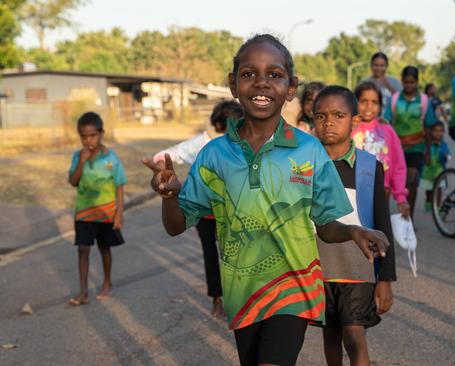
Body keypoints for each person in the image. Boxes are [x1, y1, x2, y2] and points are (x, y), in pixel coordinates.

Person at [141, 34, 389, 366]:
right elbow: (175, 226)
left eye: (274, 74)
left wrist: (353, 231)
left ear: (290, 88)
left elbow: (326, 226)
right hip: (242, 293)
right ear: (233, 84)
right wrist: (169, 196)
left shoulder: (309, 150)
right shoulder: (214, 155)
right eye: (249, 74)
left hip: (295, 289)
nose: (261, 82)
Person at [312, 85, 396, 366]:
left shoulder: (369, 167)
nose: (329, 122)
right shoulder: (304, 167)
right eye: (321, 116)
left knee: (353, 334)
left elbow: (383, 225)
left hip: (359, 267)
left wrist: (385, 279)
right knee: (331, 335)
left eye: (338, 115)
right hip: (318, 269)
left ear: (355, 121)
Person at [153, 100, 243, 318]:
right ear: (222, 125)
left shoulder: (243, 144)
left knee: (234, 256)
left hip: (230, 213)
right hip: (203, 213)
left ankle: (237, 299)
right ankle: (216, 299)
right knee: (211, 255)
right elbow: (160, 158)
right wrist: (175, 184)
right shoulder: (201, 143)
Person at [67, 112, 127, 306]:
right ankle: (83, 292)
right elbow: (73, 181)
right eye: (83, 136)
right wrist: (82, 161)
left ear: (101, 133)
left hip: (106, 213)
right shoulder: (78, 156)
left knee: (104, 248)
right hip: (84, 212)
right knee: (83, 249)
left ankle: (107, 281)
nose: (88, 140)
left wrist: (119, 213)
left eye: (92, 135)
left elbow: (119, 185)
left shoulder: (111, 158)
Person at [384, 66, 437, 219]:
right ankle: (384, 219)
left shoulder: (424, 100)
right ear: (402, 81)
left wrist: (428, 151)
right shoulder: (394, 99)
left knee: (412, 180)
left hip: (417, 147)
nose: (409, 85)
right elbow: (386, 122)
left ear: (417, 82)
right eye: (406, 82)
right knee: (389, 183)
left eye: (412, 82)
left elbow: (429, 125)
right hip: (395, 147)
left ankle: (408, 217)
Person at [352, 81, 409, 217]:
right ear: (355, 103)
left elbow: (398, 166)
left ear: (380, 105)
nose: (369, 106)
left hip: (382, 191)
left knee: (378, 232)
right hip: (353, 191)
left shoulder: (387, 130)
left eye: (374, 102)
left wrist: (401, 197)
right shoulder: (349, 128)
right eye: (363, 101)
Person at [421, 122, 450, 213]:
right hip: (428, 172)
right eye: (436, 131)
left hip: (439, 170)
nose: (438, 133)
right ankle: (428, 201)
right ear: (431, 132)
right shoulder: (427, 144)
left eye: (441, 131)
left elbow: (449, 154)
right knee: (429, 190)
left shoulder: (444, 145)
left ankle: (438, 206)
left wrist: (446, 156)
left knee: (439, 189)